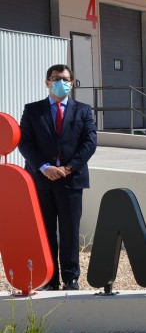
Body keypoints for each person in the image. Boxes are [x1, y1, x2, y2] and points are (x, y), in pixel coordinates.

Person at [18, 64, 97, 291]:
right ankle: (49, 279)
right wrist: (44, 167)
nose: (60, 82)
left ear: (71, 83)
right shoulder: (32, 110)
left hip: (71, 180)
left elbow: (89, 142)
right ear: (47, 82)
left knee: (70, 230)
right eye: (55, 78)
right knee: (46, 230)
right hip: (42, 180)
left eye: (65, 79)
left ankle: (71, 278)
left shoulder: (83, 110)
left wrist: (68, 168)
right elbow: (25, 142)